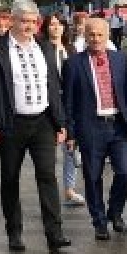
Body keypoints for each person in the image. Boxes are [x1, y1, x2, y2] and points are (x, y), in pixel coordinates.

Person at [0, 0, 72, 253]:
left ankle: (55, 233)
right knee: (10, 178)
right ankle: (14, 232)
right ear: (12, 21)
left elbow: (53, 86)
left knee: (47, 177)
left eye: (33, 21)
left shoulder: (45, 47)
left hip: (42, 122)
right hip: (11, 124)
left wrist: (61, 122)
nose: (29, 26)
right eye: (24, 21)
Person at [62, 15, 127, 240]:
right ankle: (99, 221)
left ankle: (115, 212)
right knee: (92, 176)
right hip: (90, 127)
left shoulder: (118, 60)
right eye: (91, 34)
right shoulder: (73, 64)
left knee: (126, 171)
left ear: (107, 36)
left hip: (118, 126)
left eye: (100, 35)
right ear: (85, 36)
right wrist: (70, 133)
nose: (96, 39)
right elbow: (68, 102)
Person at [42, 12, 85, 207]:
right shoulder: (42, 50)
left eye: (59, 24)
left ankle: (69, 189)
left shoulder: (71, 49)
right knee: (48, 149)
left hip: (70, 102)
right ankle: (48, 188)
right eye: (52, 24)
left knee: (71, 147)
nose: (56, 27)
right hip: (49, 103)